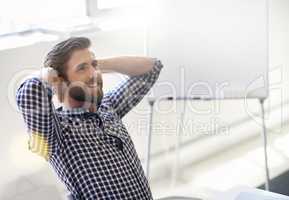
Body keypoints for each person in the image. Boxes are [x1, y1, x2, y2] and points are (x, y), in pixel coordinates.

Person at [15, 37, 163, 200]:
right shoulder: (57, 132)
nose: (95, 73)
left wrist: (95, 64)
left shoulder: (108, 107)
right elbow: (30, 93)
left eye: (94, 66)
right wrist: (50, 73)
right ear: (58, 82)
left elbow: (151, 68)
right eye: (81, 69)